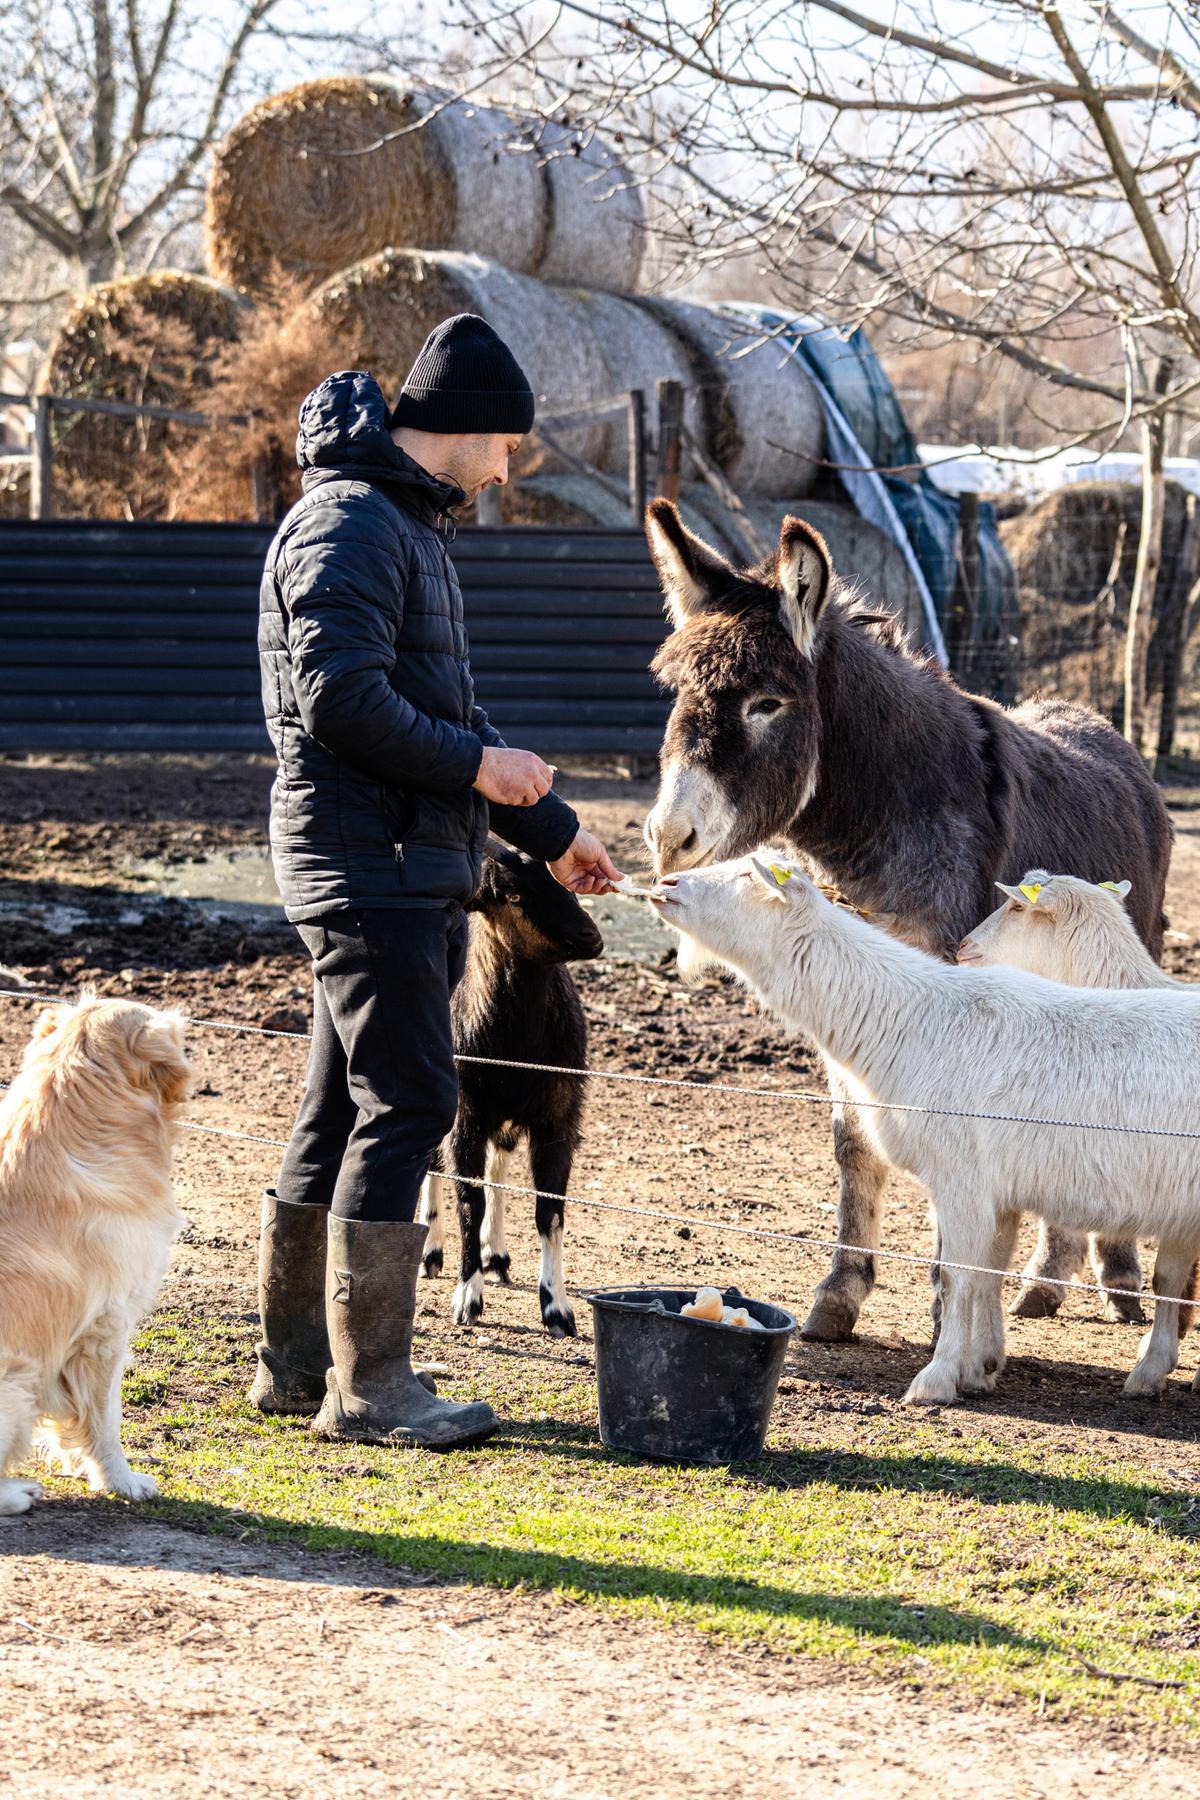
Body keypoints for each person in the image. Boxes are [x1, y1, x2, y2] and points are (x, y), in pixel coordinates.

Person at [253, 315, 623, 1449]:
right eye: (508, 443)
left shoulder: (396, 524)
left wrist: (551, 828)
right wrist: (478, 767)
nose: (511, 466)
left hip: (386, 854)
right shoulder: (356, 526)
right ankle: (373, 1390)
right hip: (378, 863)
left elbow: (448, 714)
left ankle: (297, 1366)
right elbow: (342, 702)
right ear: (461, 428)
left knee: (336, 1110)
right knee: (411, 1103)